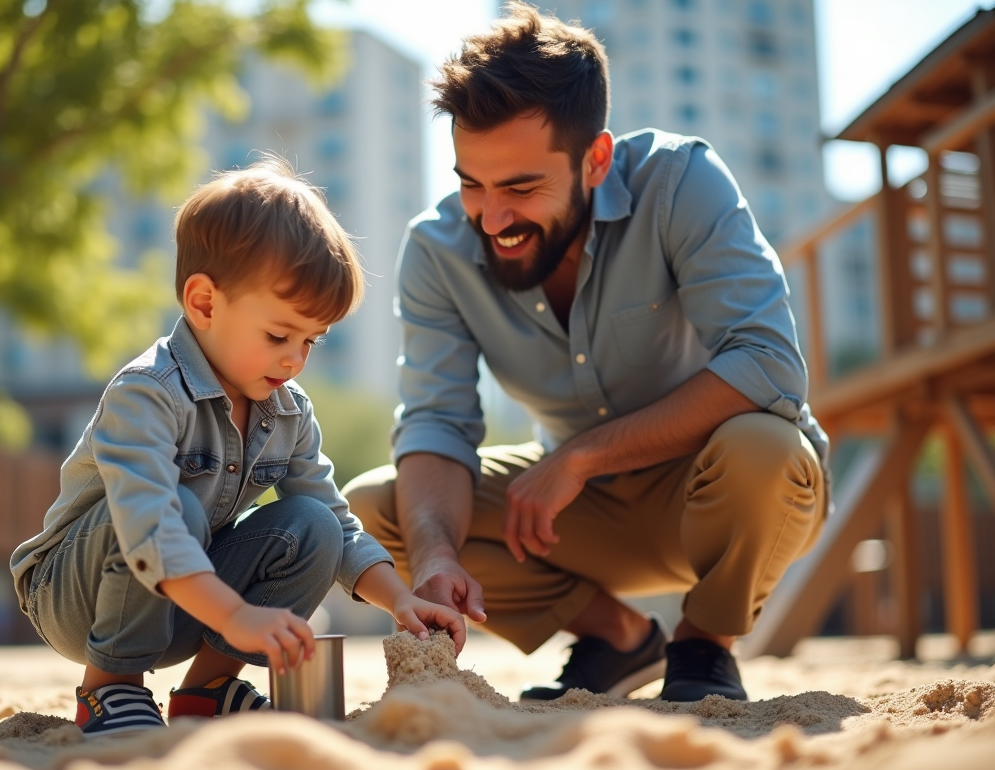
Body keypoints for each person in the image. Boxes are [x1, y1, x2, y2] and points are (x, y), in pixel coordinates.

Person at [344, 3, 828, 704]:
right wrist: (437, 553)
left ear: (595, 160)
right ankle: (617, 638)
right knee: (377, 507)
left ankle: (704, 644)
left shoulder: (681, 181)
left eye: (521, 187)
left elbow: (770, 365)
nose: (492, 217)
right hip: (571, 520)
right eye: (471, 183)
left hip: (725, 495)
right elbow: (435, 424)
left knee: (765, 445)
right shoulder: (435, 248)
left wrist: (583, 456)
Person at [10, 156, 465, 737]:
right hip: (78, 595)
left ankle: (207, 689)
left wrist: (400, 600)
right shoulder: (148, 393)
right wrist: (236, 615)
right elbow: (149, 520)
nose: (295, 358)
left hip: (184, 600)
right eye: (278, 334)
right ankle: (111, 688)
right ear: (203, 304)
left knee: (313, 525)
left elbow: (333, 518)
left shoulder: (288, 410)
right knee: (179, 504)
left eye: (311, 341)